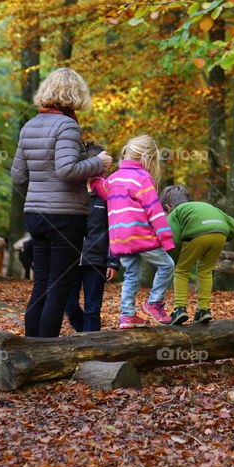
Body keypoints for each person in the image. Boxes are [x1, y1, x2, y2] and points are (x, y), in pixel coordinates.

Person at [11, 67, 112, 338]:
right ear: (75, 94)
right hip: (64, 217)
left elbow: (18, 176)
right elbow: (66, 170)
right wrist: (97, 163)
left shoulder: (29, 126)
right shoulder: (67, 126)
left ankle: (31, 348)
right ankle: (46, 351)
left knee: (41, 285)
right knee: (58, 288)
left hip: (35, 214)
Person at [91, 135, 175, 328]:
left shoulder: (114, 178)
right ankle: (154, 303)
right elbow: (155, 211)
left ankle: (127, 315)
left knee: (131, 275)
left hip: (119, 239)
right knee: (167, 266)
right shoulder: (142, 178)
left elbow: (99, 187)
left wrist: (96, 173)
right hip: (140, 236)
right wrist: (166, 238)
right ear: (147, 158)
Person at [160, 185, 234, 325]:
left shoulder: (175, 212)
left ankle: (179, 309)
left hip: (197, 234)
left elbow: (174, 239)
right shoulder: (205, 205)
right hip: (221, 233)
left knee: (181, 271)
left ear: (167, 207)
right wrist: (225, 237)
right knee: (206, 271)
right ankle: (203, 310)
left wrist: (174, 259)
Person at [64, 142, 120, 332]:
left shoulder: (108, 194)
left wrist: (113, 261)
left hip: (96, 259)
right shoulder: (73, 192)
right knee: (69, 304)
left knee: (93, 308)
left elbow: (115, 229)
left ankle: (92, 343)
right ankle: (83, 334)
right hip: (70, 258)